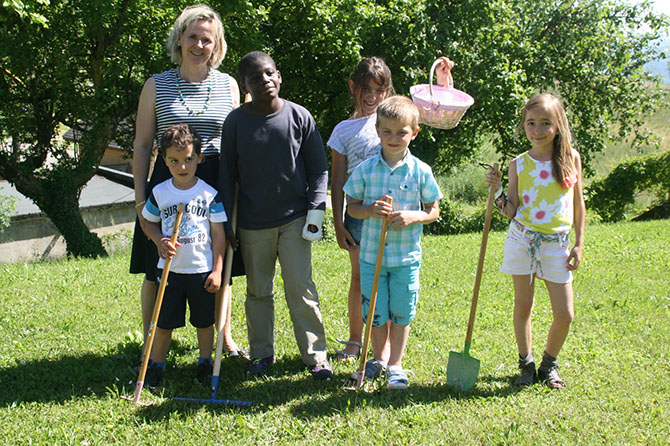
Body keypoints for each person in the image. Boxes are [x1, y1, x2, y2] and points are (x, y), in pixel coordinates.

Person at [129, 4, 246, 367]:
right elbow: (143, 144)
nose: (199, 44)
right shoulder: (155, 84)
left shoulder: (228, 85)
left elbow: (237, 143)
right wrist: (139, 196)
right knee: (156, 264)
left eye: (206, 39)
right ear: (179, 38)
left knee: (217, 263)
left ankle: (222, 335)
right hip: (167, 182)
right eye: (192, 36)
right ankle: (151, 339)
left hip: (213, 182)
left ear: (217, 45)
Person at [328, 57, 453, 362]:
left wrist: (442, 79)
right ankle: (357, 341)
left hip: (400, 222)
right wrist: (338, 222)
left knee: (392, 283)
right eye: (366, 89)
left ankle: (386, 357)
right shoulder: (344, 130)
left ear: (388, 91)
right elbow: (338, 180)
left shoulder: (395, 115)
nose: (372, 96)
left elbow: (438, 110)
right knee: (362, 279)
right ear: (353, 88)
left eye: (379, 89)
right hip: (361, 213)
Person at [218, 51, 332, 380]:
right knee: (258, 292)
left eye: (269, 74)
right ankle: (261, 354)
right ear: (246, 85)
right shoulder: (236, 122)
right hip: (252, 226)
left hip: (296, 220)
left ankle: (316, 356)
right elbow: (227, 177)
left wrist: (316, 210)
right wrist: (227, 222)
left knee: (301, 289)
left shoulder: (299, 116)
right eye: (255, 78)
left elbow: (319, 169)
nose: (264, 81)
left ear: (278, 76)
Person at [485, 93, 585, 390]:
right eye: (531, 123)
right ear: (523, 125)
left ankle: (549, 364)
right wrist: (498, 191)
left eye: (545, 123)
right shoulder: (519, 163)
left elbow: (578, 205)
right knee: (523, 306)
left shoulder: (570, 159)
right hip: (522, 240)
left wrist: (579, 244)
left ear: (558, 125)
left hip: (556, 243)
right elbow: (511, 210)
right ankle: (526, 364)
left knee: (565, 313)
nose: (537, 130)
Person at [343, 95, 443, 389]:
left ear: (414, 133)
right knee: (375, 313)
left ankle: (395, 365)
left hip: (405, 259)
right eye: (387, 131)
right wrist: (370, 209)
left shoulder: (421, 171)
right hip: (372, 257)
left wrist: (414, 216)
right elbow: (352, 206)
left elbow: (433, 210)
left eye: (401, 132)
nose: (394, 138)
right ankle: (378, 359)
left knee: (400, 313)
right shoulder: (365, 170)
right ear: (377, 131)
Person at [141, 124, 227, 387]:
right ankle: (156, 365)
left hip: (200, 269)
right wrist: (159, 240)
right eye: (175, 161)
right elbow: (147, 222)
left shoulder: (209, 195)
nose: (182, 167)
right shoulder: (160, 193)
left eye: (189, 159)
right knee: (164, 322)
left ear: (199, 158)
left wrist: (217, 270)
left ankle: (204, 362)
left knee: (204, 322)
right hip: (170, 270)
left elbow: (219, 235)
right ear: (163, 160)